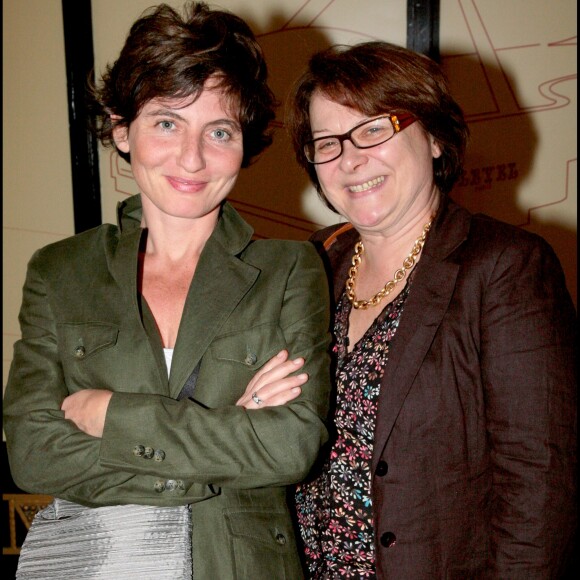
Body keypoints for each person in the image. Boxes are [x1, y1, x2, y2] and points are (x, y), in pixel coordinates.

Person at [3, 3, 332, 578]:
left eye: (220, 131)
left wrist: (112, 414)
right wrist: (231, 432)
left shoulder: (288, 269)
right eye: (166, 122)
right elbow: (32, 453)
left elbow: (290, 445)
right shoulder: (59, 272)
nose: (192, 157)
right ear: (121, 128)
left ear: (245, 142)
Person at [286, 41, 577, 578]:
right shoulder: (312, 264)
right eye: (327, 142)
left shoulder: (507, 268)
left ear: (436, 137)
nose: (350, 158)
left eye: (374, 128)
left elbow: (541, 483)